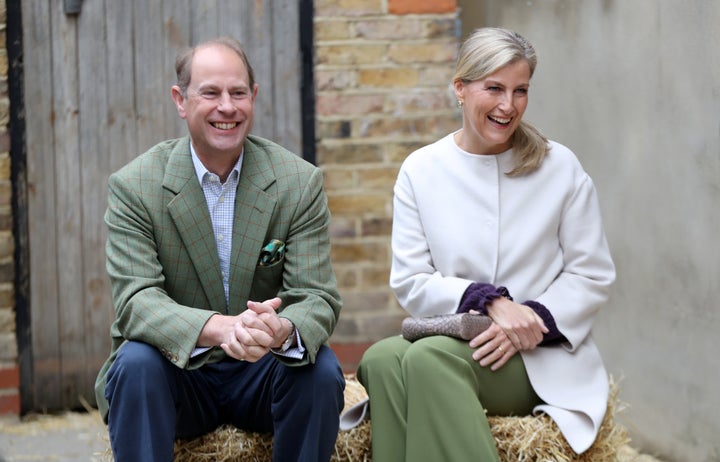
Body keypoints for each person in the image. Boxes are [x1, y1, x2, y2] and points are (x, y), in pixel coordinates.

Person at [356, 27, 616, 461]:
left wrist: (529, 321)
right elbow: (411, 280)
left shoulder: (560, 167)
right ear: (460, 88)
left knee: (428, 360)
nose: (507, 105)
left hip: (541, 358)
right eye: (493, 87)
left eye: (520, 91)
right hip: (463, 336)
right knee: (381, 360)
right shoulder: (421, 170)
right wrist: (490, 302)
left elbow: (592, 274)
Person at [94, 36, 345, 462]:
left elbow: (316, 295)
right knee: (135, 364)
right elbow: (136, 302)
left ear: (254, 97)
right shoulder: (135, 186)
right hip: (177, 376)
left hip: (263, 371)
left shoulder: (298, 183)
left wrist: (281, 331)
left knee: (320, 370)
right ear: (180, 99)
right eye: (210, 92)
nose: (226, 107)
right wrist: (222, 328)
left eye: (238, 93)